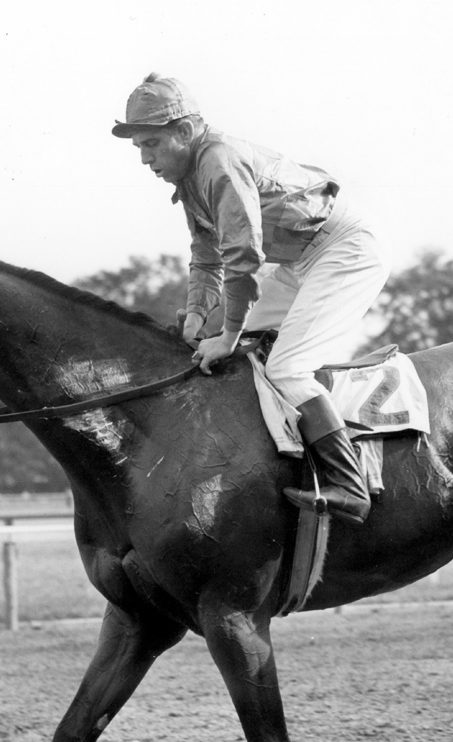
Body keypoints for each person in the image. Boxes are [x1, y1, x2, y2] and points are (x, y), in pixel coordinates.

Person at [112, 73, 392, 525]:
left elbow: (242, 259)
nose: (145, 159)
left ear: (184, 132)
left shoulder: (217, 162)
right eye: (140, 148)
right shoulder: (190, 176)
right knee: (250, 351)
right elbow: (206, 258)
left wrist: (225, 335)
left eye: (151, 144)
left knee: (285, 366)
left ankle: (349, 484)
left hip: (344, 247)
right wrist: (197, 317)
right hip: (300, 260)